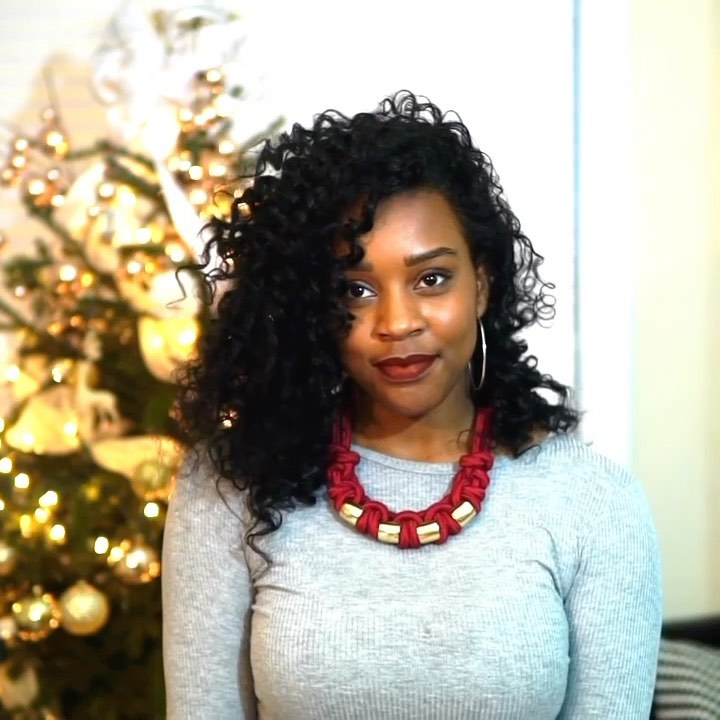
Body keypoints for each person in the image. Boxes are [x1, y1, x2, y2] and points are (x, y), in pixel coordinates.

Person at [162, 91, 662, 719]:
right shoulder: (228, 489)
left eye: (431, 278)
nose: (397, 322)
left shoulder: (593, 503)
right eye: (356, 289)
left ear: (482, 284)